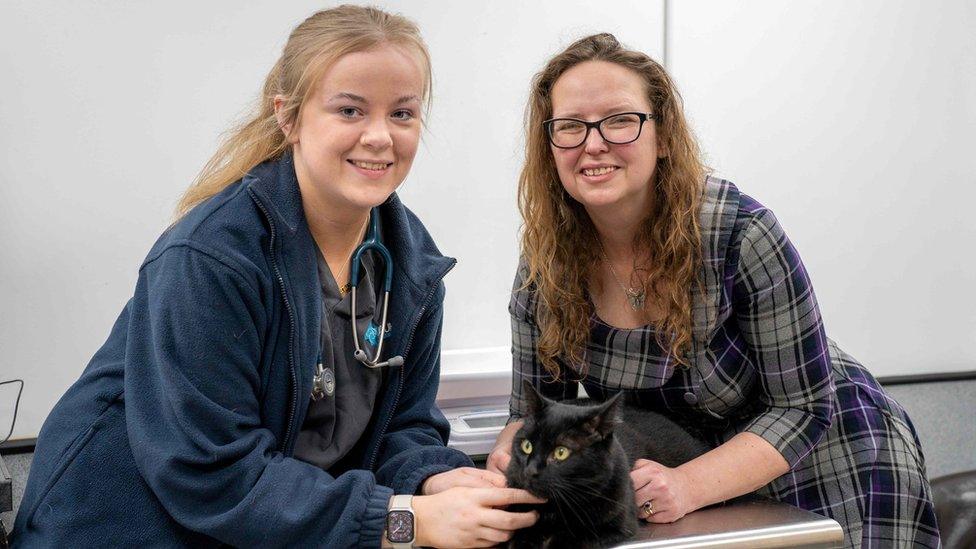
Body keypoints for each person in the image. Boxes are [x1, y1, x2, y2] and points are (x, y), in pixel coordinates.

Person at [13, 6, 541, 548]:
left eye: (402, 114)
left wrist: (434, 476)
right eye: (350, 110)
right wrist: (410, 521)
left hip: (269, 527)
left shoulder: (411, 264)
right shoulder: (211, 258)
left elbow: (401, 426)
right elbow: (211, 474)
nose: (380, 136)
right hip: (123, 530)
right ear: (288, 117)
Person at [486, 33, 940, 548]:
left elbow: (803, 408)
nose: (593, 144)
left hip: (831, 459)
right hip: (687, 479)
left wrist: (688, 484)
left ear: (662, 135)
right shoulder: (544, 265)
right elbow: (535, 412)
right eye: (570, 126)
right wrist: (508, 462)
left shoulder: (741, 234)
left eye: (618, 120)